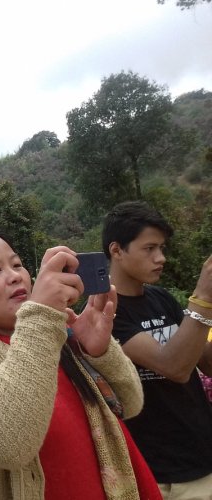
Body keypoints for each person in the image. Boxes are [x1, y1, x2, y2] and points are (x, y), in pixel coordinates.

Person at [0, 226, 161, 500]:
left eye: (17, 264)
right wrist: (41, 316)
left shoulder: (56, 336)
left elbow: (130, 404)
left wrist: (98, 352)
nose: (15, 276)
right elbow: (8, 446)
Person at [103, 200, 212, 499]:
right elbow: (174, 367)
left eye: (161, 248)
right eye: (149, 248)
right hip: (162, 475)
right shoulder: (106, 312)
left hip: (202, 454)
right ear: (117, 250)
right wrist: (202, 298)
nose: (160, 258)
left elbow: (204, 362)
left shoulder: (160, 298)